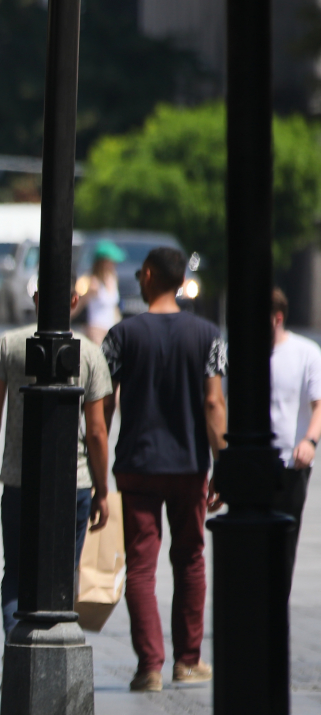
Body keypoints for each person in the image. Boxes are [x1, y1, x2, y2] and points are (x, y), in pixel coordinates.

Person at [101, 246, 227, 692]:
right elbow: (214, 402)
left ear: (149, 275)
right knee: (190, 558)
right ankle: (187, 661)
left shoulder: (121, 335)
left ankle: (149, 666)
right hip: (189, 463)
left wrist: (99, 466)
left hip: (136, 462)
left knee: (141, 565)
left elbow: (104, 406)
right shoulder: (208, 335)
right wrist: (222, 463)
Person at [0, 286, 114, 636]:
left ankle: (17, 647)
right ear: (74, 302)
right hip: (75, 481)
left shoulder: (8, 345)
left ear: (36, 299)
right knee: (62, 573)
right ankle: (55, 649)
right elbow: (97, 431)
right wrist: (102, 488)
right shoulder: (88, 353)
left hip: (19, 478)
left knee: (18, 575)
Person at [269, 286, 321, 573]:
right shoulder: (240, 355)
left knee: (283, 547)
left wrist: (310, 441)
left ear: (277, 318)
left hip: (292, 462)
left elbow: (319, 405)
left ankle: (277, 610)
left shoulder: (306, 353)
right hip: (254, 462)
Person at [75, 241, 124, 344]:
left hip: (112, 330)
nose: (114, 264)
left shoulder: (113, 278)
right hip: (96, 331)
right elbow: (79, 304)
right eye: (111, 261)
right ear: (103, 262)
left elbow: (114, 307)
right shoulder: (92, 281)